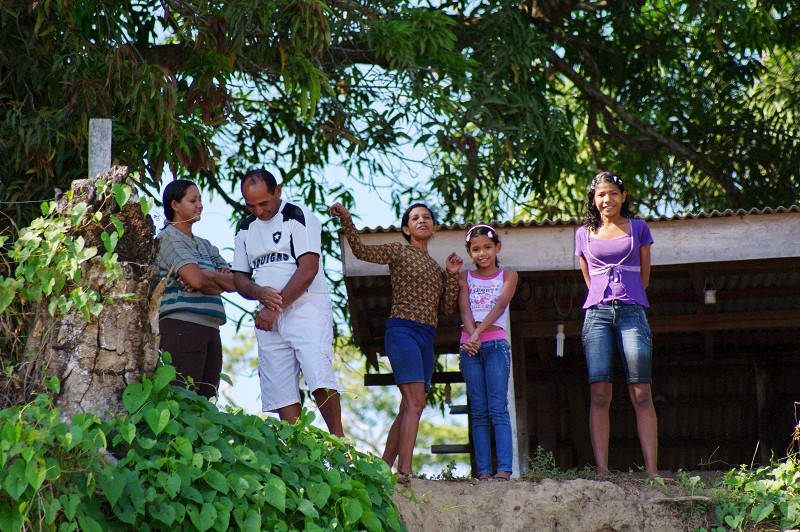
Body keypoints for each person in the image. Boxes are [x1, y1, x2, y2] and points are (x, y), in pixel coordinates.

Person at [329, 201, 463, 481]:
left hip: (427, 336)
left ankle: (381, 470)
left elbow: (449, 309)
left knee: (410, 405)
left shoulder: (437, 268)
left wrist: (451, 275)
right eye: (415, 218)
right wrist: (348, 221)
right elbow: (361, 251)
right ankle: (406, 471)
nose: (422, 220)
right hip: (402, 331)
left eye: (427, 217)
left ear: (434, 227)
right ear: (406, 228)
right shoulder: (399, 250)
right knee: (415, 403)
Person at [232, 169, 344, 437]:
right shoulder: (245, 228)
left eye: (264, 203)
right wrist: (259, 293)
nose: (258, 211)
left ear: (278, 191)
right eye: (251, 205)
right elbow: (239, 278)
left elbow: (308, 269)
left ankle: (341, 444)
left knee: (318, 375)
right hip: (268, 314)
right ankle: (297, 452)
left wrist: (273, 307)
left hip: (306, 305)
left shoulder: (298, 216)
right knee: (280, 387)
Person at [574, 171, 659, 478]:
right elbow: (588, 278)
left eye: (612, 193)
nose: (606, 199)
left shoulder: (639, 228)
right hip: (596, 314)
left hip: (632, 312)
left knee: (641, 392)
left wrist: (628, 295)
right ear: (593, 200)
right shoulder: (583, 233)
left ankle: (652, 471)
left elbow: (644, 276)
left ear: (623, 197)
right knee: (599, 393)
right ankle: (602, 470)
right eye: (600, 195)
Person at [156, 179, 236, 399]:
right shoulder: (169, 238)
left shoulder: (206, 244)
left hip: (211, 329)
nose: (200, 205)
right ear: (175, 205)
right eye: (193, 200)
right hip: (183, 327)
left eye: (200, 200)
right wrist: (209, 277)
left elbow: (234, 283)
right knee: (184, 399)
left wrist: (206, 275)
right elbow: (197, 279)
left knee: (207, 401)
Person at [458, 224, 519, 481]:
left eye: (487, 248)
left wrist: (476, 335)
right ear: (469, 252)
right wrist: (472, 337)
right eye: (475, 249)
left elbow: (499, 306)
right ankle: (483, 471)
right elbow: (464, 310)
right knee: (479, 411)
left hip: (495, 346)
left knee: (498, 408)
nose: (482, 253)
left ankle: (504, 469)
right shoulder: (464, 277)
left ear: (497, 248)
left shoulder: (508, 276)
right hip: (469, 348)